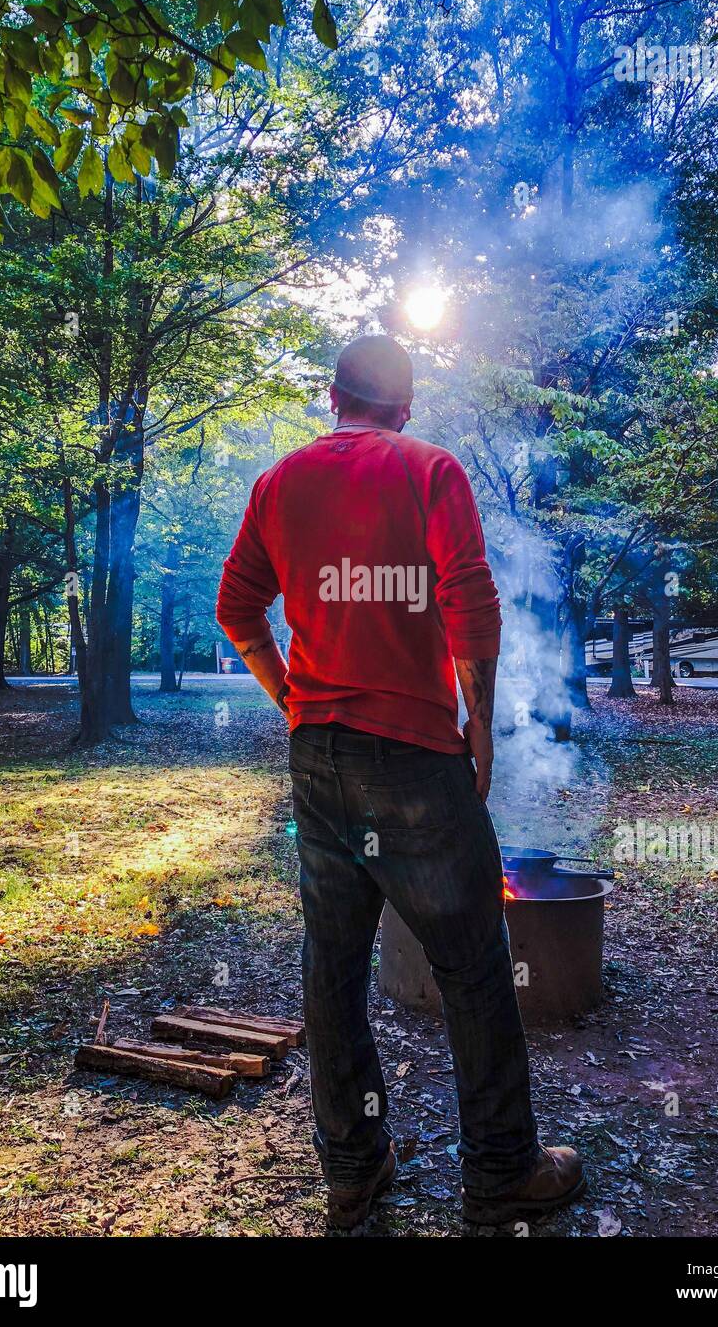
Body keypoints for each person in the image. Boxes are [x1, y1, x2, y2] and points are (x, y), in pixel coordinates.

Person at [216, 334, 584, 1229]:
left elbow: (235, 609)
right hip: (414, 755)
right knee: (473, 966)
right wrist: (479, 728)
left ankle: (353, 1168)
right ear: (405, 407)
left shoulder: (276, 484)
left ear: (329, 397)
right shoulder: (430, 470)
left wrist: (292, 697)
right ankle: (501, 1171)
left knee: (332, 967)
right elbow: (470, 597)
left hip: (318, 759)